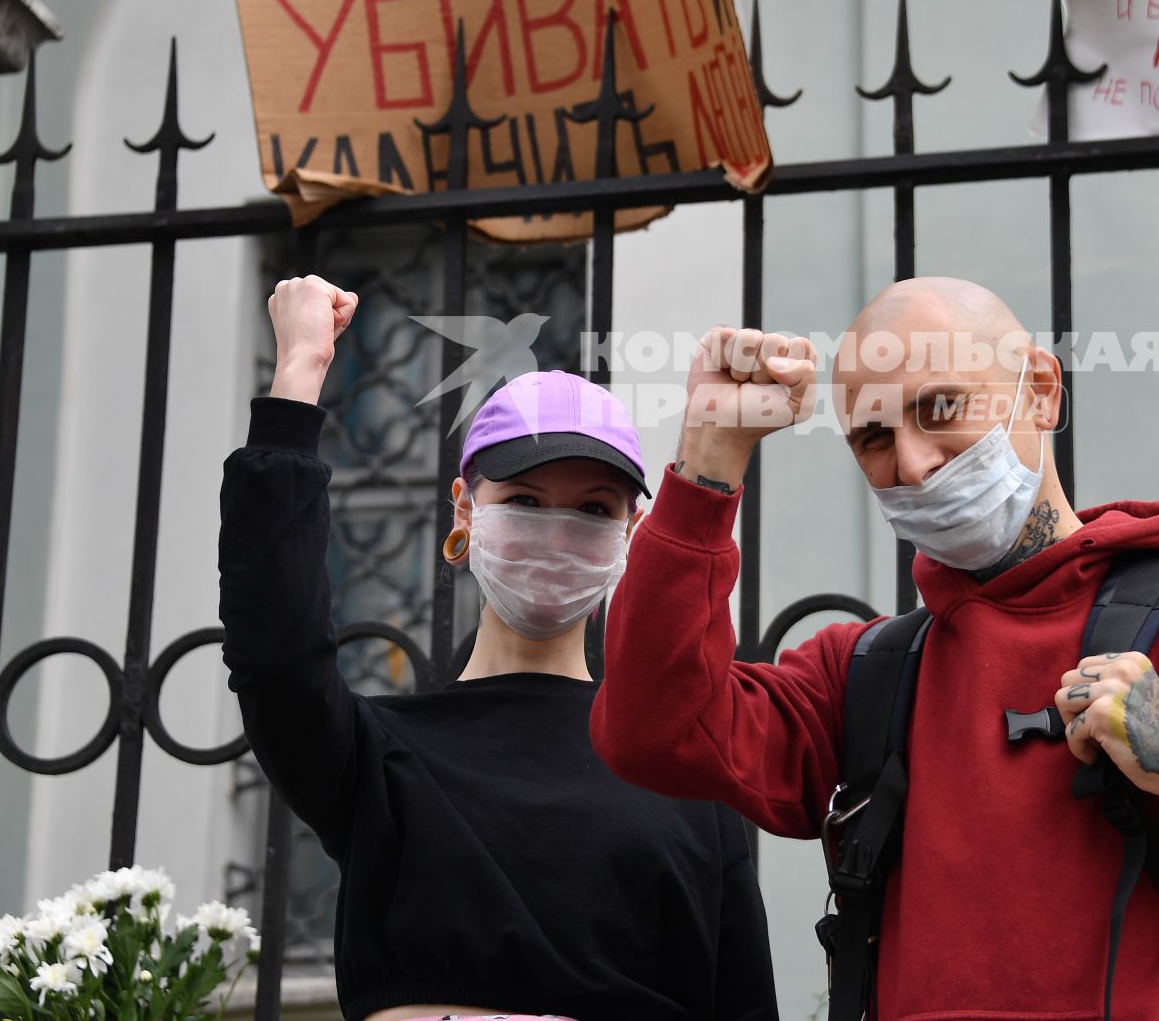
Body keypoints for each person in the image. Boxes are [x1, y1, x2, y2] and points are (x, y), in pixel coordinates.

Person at [591, 276, 1159, 1020]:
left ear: (1040, 390)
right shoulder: (866, 675)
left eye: (941, 409)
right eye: (874, 440)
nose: (918, 464)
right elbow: (650, 727)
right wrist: (710, 459)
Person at [218, 274, 779, 1021]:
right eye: (523, 501)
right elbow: (275, 655)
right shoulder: (379, 756)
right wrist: (297, 378)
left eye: (591, 508)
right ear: (464, 511)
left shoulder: (688, 784)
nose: (557, 530)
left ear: (631, 534)